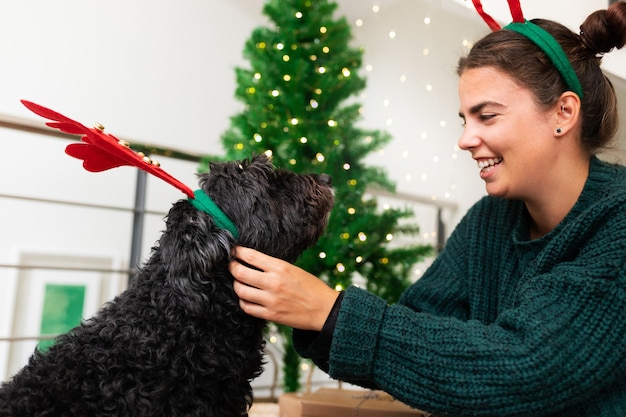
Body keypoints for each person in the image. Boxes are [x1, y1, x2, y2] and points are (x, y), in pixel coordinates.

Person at [230, 2, 626, 416]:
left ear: (563, 112)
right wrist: (302, 306)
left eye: (486, 116)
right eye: (464, 121)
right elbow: (420, 327)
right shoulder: (489, 221)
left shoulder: (616, 222)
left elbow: (525, 365)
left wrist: (332, 312)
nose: (466, 140)